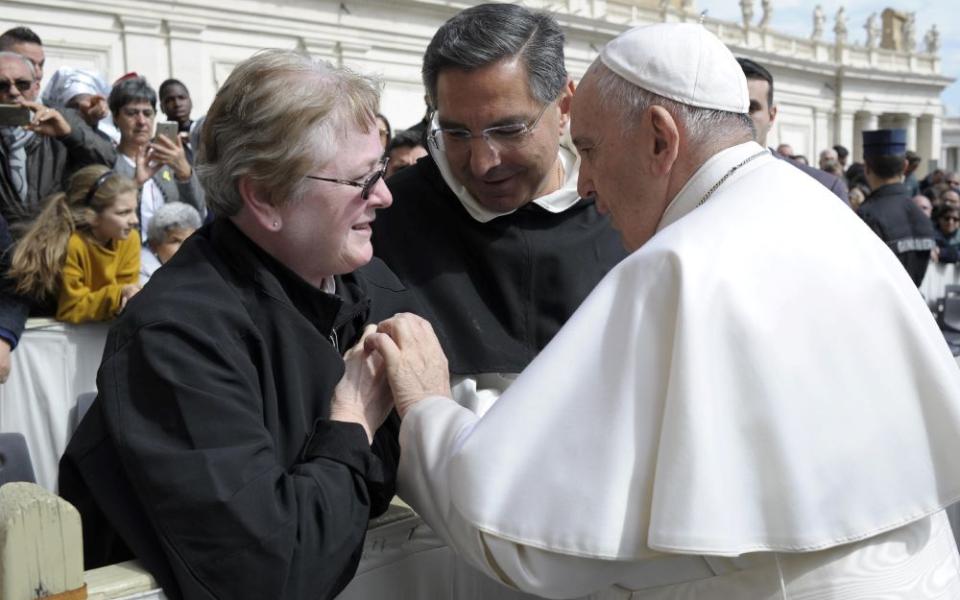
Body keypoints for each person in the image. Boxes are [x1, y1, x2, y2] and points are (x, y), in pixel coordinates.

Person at [365, 23, 960, 598]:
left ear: (659, 137)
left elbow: (528, 546)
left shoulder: (680, 265)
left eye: (591, 150)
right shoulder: (817, 210)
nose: (587, 182)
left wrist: (427, 410)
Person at [59, 49, 418, 600]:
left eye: (382, 170)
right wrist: (350, 425)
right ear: (266, 196)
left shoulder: (371, 284)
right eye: (360, 180)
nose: (385, 195)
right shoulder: (176, 340)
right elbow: (271, 574)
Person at [373, 3, 625, 416]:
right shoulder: (388, 219)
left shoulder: (625, 210)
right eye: (455, 133)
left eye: (508, 130)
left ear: (564, 106)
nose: (482, 163)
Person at [7, 165, 140, 323]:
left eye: (134, 210)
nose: (134, 220)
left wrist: (128, 295)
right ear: (91, 216)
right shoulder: (73, 245)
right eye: (123, 213)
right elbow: (71, 308)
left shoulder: (130, 239)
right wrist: (117, 296)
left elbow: (127, 286)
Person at [108, 76, 204, 241]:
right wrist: (136, 184)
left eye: (147, 113)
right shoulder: (109, 163)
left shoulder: (169, 161)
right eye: (132, 113)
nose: (141, 121)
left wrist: (185, 175)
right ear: (116, 117)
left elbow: (198, 214)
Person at [738, 58, 848, 202]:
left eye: (751, 109)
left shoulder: (824, 188)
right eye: (730, 108)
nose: (738, 118)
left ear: (771, 116)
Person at [857, 128, 935, 287]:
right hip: (914, 307)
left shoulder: (867, 215)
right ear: (905, 165)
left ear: (866, 167)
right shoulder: (922, 216)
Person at [139, 201, 201, 284]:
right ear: (154, 245)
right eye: (176, 241)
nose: (185, 247)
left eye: (190, 240)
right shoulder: (141, 277)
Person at [158, 79, 199, 164]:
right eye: (170, 100)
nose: (177, 104)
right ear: (162, 107)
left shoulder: (205, 133)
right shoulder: (158, 144)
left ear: (191, 102)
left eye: (181, 98)